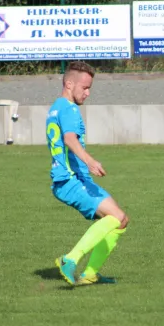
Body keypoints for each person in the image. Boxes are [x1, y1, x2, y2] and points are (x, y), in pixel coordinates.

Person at [46, 61, 129, 286]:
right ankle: (70, 259)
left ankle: (90, 274)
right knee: (116, 218)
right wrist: (90, 160)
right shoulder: (70, 109)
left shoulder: (56, 107)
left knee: (121, 221)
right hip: (71, 180)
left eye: (90, 87)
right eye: (84, 87)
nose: (88, 93)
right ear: (69, 83)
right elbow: (69, 139)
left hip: (71, 179)